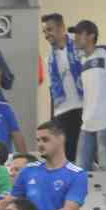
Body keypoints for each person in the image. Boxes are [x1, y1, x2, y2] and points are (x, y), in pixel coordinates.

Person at [70, 20, 106, 176]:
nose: (75, 37)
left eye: (79, 34)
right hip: (87, 122)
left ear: (91, 35)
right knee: (80, 169)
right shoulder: (82, 60)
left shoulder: (105, 52)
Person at [42, 13, 83, 162]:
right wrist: (53, 121)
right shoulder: (50, 59)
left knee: (88, 157)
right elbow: (52, 91)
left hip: (84, 108)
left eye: (50, 30)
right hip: (63, 112)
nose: (46, 35)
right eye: (44, 32)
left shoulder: (79, 46)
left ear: (62, 28)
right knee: (67, 157)